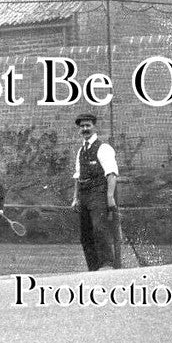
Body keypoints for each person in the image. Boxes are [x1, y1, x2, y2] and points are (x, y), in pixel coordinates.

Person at [70, 112, 119, 271]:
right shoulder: (80, 151)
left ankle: (107, 264)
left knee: (99, 228)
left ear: (93, 126)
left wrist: (110, 197)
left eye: (88, 126)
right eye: (82, 126)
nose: (85, 129)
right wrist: (75, 198)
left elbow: (111, 174)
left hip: (98, 192)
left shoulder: (103, 148)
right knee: (85, 234)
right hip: (84, 195)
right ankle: (93, 268)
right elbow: (78, 176)